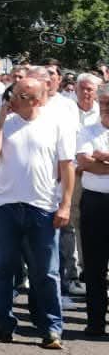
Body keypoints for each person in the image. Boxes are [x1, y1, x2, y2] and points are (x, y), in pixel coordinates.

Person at [0, 76, 73, 349]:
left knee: (46, 272)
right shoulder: (3, 123)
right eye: (15, 94)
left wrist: (65, 204)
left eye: (23, 96)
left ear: (39, 99)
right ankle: (2, 325)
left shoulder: (56, 124)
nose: (15, 100)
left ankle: (51, 329)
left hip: (42, 206)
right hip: (5, 205)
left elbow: (67, 167)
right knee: (0, 269)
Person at [75, 83, 109, 338]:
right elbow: (85, 163)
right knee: (94, 266)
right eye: (104, 103)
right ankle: (95, 321)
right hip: (95, 203)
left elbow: (95, 161)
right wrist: (96, 159)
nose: (107, 108)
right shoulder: (87, 130)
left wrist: (103, 157)